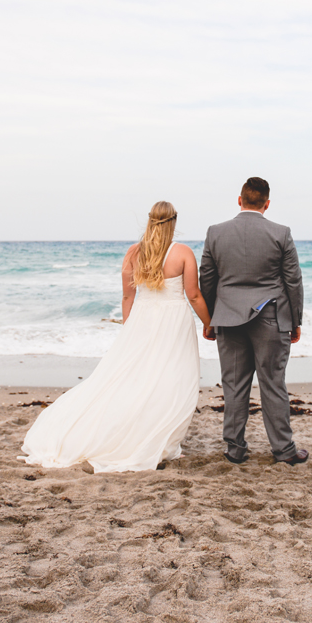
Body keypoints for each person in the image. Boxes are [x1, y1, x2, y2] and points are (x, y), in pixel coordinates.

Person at [20, 201, 211, 473]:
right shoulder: (182, 253)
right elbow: (193, 295)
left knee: (133, 379)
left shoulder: (134, 253)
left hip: (141, 320)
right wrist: (209, 323)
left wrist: (129, 329)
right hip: (173, 321)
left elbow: (127, 296)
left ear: (149, 221)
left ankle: (146, 437)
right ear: (173, 222)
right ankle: (160, 440)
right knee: (171, 378)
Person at [200, 177, 308, 465]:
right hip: (271, 318)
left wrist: (210, 319)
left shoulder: (215, 233)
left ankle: (235, 449)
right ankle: (284, 450)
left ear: (239, 200)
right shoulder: (280, 233)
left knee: (233, 385)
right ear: (267, 204)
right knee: (273, 383)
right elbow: (293, 281)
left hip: (228, 319)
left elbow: (207, 280)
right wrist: (295, 320)